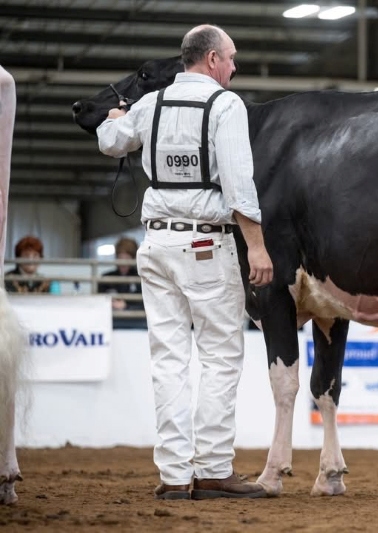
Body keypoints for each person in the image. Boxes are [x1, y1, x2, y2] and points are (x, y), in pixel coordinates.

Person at [96, 24, 273, 500]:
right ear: (212, 59)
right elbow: (238, 183)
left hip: (155, 246)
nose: (234, 67)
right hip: (205, 245)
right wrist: (256, 246)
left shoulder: (151, 104)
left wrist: (115, 117)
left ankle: (174, 477)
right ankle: (213, 469)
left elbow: (110, 140)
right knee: (219, 356)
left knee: (168, 360)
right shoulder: (224, 105)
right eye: (231, 58)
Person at [97, 237, 143, 311]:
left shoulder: (140, 279)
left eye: (127, 258)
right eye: (120, 258)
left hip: (134, 320)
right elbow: (99, 302)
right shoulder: (106, 278)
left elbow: (144, 305)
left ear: (133, 258)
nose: (123, 262)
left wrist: (126, 306)